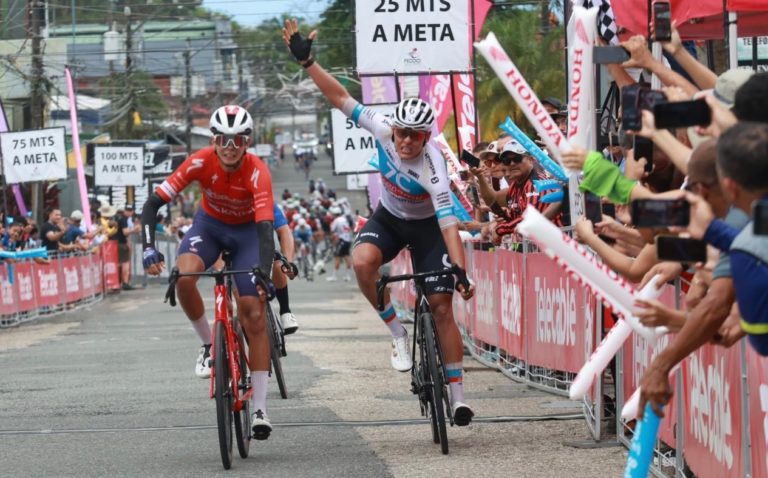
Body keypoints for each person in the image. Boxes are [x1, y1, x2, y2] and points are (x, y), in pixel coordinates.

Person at [283, 19, 475, 425]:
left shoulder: (434, 169)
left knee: (442, 307)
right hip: (388, 217)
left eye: (415, 137)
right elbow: (339, 97)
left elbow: (447, 225)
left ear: (427, 138)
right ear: (395, 129)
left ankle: (457, 397)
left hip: (428, 229)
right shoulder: (382, 128)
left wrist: (460, 270)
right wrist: (308, 62)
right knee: (363, 262)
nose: (405, 141)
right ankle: (398, 335)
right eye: (403, 133)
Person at [140, 104, 276, 439]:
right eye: (223, 140)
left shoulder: (258, 171)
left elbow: (264, 229)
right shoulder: (200, 160)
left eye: (238, 141)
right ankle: (207, 346)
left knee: (252, 313)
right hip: (210, 227)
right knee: (183, 277)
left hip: (247, 234)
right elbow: (153, 204)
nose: (230, 148)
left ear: (248, 142)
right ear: (214, 140)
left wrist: (265, 270)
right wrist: (148, 246)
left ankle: (259, 407)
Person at [115, 205, 141, 290]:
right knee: (125, 263)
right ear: (125, 211)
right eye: (128, 210)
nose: (130, 212)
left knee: (122, 263)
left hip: (121, 243)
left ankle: (122, 282)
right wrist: (134, 229)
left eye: (131, 210)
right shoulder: (123, 219)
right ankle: (125, 283)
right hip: (122, 243)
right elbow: (125, 232)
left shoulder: (123, 219)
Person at [327, 206, 353, 282]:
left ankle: (334, 276)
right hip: (348, 240)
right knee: (347, 257)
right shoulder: (344, 219)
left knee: (337, 257)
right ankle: (348, 276)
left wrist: (331, 241)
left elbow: (332, 231)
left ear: (335, 214)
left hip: (342, 240)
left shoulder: (336, 221)